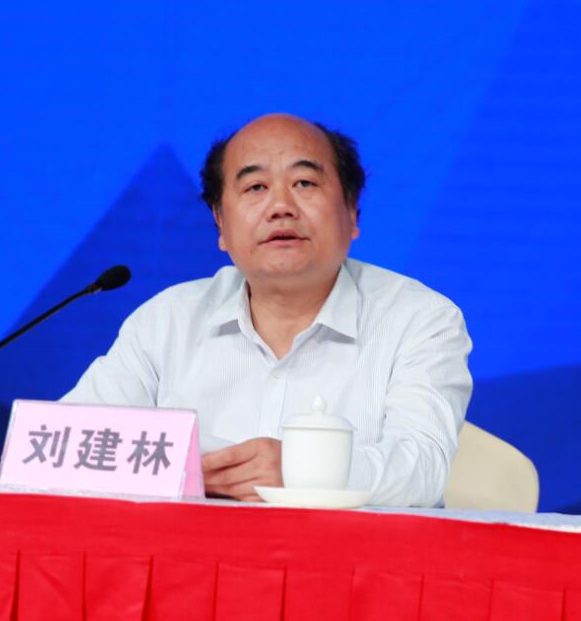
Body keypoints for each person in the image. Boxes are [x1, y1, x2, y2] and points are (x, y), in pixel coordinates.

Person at [63, 113, 472, 507]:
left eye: (304, 182)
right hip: (190, 551)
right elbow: (69, 445)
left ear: (351, 212)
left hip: (351, 554)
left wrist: (305, 471)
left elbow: (422, 467)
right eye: (255, 187)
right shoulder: (168, 320)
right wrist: (178, 473)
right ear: (220, 224)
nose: (280, 206)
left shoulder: (420, 319)